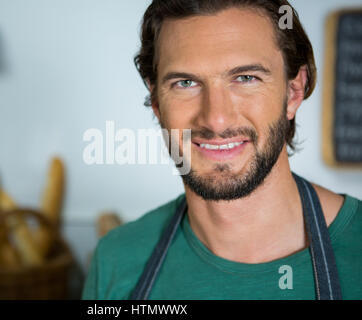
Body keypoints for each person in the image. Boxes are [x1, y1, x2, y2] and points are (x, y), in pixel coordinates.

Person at [82, 0, 362, 300]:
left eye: (245, 78)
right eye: (185, 83)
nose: (216, 119)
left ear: (293, 92)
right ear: (156, 102)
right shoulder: (115, 259)